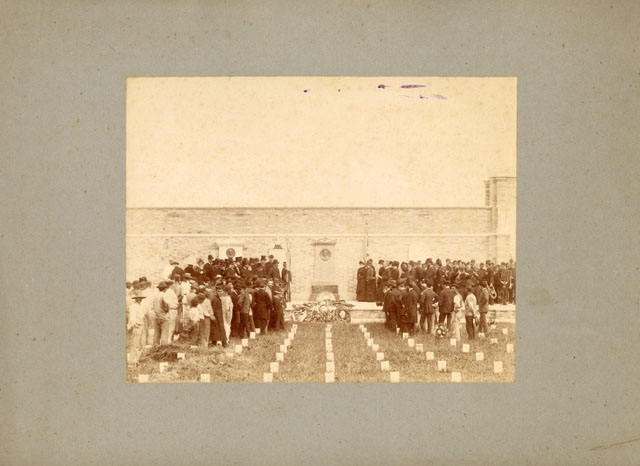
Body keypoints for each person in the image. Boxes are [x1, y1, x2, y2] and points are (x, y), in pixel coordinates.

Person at [127, 291, 147, 365]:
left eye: (141, 298)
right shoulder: (133, 306)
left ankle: (137, 359)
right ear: (136, 298)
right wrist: (134, 324)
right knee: (135, 344)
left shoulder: (141, 306)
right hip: (137, 325)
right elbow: (132, 317)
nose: (140, 299)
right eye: (139, 298)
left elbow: (143, 315)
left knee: (142, 344)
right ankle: (132, 361)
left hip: (142, 324)